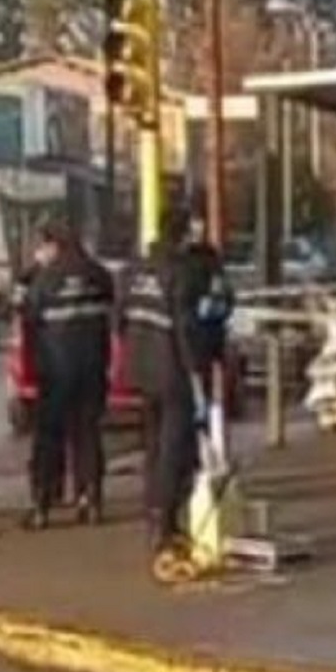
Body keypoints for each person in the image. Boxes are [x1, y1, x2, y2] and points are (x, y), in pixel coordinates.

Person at [122, 209, 230, 561]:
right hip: (172, 371)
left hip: (140, 368)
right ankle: (164, 524)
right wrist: (195, 373)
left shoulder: (134, 269)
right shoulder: (181, 273)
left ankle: (152, 508)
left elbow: (120, 318)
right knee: (174, 450)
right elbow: (186, 329)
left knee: (153, 445)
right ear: (184, 234)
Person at [20, 222, 116, 530]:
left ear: (52, 245)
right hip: (92, 367)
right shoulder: (100, 275)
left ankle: (42, 503)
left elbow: (28, 317)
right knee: (88, 434)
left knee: (49, 437)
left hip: (55, 370)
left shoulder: (44, 280)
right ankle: (91, 499)